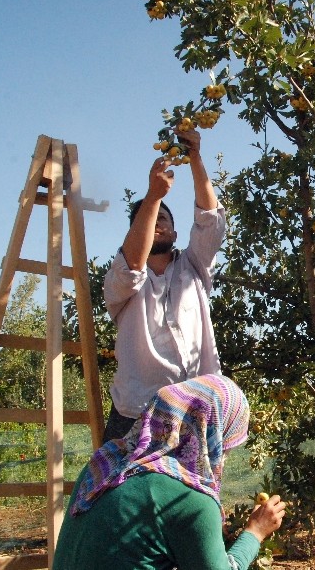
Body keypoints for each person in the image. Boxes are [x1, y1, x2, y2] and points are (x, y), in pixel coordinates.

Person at [54, 374, 286, 570]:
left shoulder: (103, 465)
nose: (226, 454)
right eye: (227, 444)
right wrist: (255, 532)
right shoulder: (189, 500)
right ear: (213, 435)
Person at [103, 129, 226, 441]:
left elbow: (210, 221)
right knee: (118, 490)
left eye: (164, 220)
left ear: (174, 233)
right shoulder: (121, 280)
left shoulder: (194, 267)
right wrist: (154, 197)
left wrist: (195, 159)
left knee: (195, 491)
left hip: (196, 410)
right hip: (136, 412)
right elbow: (132, 265)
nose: (158, 224)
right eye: (151, 220)